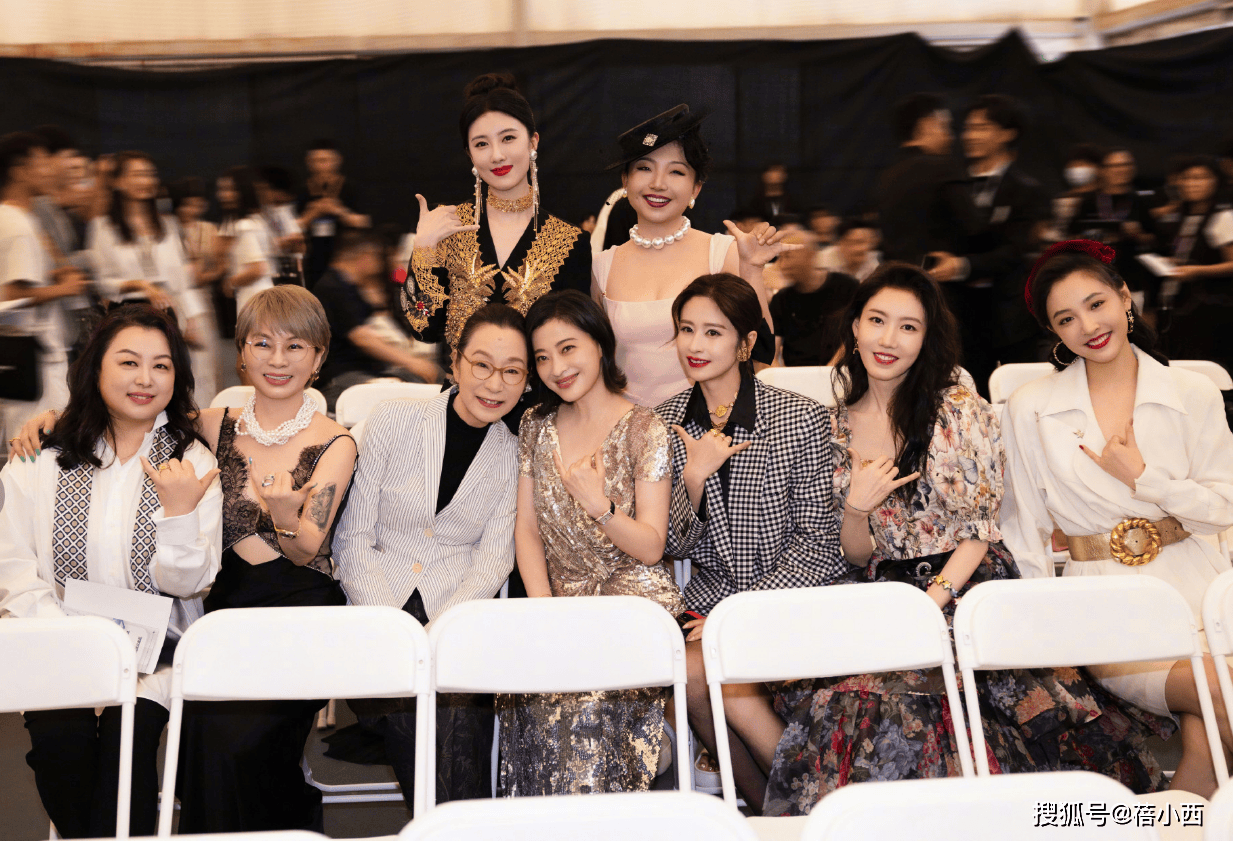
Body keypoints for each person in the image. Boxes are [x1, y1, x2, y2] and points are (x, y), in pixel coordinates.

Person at [763, 262, 1174, 815]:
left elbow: (979, 531)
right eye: (877, 321)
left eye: (908, 327)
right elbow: (858, 555)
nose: (889, 339)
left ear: (926, 338)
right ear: (855, 327)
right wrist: (857, 509)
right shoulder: (832, 425)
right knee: (843, 697)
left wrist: (931, 601)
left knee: (918, 700)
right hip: (882, 589)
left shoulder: (956, 409)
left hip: (967, 582)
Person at [1001, 239, 1233, 798]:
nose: (1088, 326)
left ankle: (1159, 830)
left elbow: (1224, 506)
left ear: (1125, 298)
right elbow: (1023, 530)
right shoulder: (1031, 406)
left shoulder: (1193, 391)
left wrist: (1145, 479)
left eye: (1096, 303)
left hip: (1207, 588)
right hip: (1107, 605)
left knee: (1208, 750)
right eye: (1066, 318)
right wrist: (1041, 643)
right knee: (1221, 691)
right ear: (1054, 332)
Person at [0, 305, 221, 838]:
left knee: (127, 750)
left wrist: (179, 514)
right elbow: (12, 563)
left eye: (161, 366)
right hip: (56, 639)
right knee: (60, 748)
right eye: (128, 362)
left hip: (155, 652)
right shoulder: (41, 455)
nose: (145, 379)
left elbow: (190, 584)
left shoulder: (191, 463)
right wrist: (71, 638)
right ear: (95, 368)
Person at [655, 273, 846, 812]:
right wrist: (693, 480)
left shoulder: (799, 416)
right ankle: (774, 810)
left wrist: (740, 611)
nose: (695, 345)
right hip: (711, 601)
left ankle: (811, 807)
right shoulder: (664, 423)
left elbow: (820, 543)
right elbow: (671, 545)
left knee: (726, 681)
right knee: (690, 673)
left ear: (746, 343)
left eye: (713, 332)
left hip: (793, 594)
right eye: (686, 329)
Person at [333, 303, 527, 806]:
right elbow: (352, 537)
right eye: (481, 364)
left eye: (512, 371)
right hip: (376, 612)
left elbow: (493, 560)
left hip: (456, 616)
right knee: (411, 702)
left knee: (458, 709)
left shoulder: (513, 454)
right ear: (455, 363)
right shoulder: (393, 419)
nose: (495, 383)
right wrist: (394, 624)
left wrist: (440, 630)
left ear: (526, 381)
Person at [498, 290, 682, 796]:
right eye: (542, 357)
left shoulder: (645, 427)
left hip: (631, 601)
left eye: (568, 348)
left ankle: (613, 798)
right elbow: (526, 529)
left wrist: (598, 504)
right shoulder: (536, 426)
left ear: (599, 344)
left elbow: (651, 547)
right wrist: (544, 608)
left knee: (585, 708)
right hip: (559, 600)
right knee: (532, 694)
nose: (556, 368)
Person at [593, 104, 789, 408]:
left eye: (676, 171)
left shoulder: (723, 255)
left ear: (696, 188)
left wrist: (751, 268)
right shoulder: (601, 266)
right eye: (644, 168)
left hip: (708, 424)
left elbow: (760, 355)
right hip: (626, 427)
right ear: (625, 181)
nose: (658, 183)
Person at [402, 73, 591, 373]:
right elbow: (422, 328)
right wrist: (423, 247)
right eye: (481, 144)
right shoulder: (448, 228)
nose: (497, 155)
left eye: (508, 138)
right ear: (469, 154)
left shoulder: (570, 241)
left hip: (536, 400)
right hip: (462, 397)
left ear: (533, 141)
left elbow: (577, 343)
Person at [933, 94, 1051, 394]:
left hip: (1012, 316)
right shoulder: (947, 185)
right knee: (966, 398)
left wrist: (962, 266)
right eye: (967, 128)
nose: (970, 135)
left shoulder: (1028, 191)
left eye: (981, 127)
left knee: (1023, 396)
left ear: (1007, 133)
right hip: (960, 318)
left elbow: (1016, 251)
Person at [87, 151, 212, 404]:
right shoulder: (104, 226)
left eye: (149, 174)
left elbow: (183, 281)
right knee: (139, 384)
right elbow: (101, 282)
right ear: (118, 181)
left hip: (172, 313)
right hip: (129, 316)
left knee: (184, 386)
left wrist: (193, 318)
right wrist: (141, 285)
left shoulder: (168, 224)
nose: (145, 180)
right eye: (136, 174)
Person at [0, 131, 89, 439]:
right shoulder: (18, 224)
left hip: (23, 352)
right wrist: (65, 289)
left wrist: (55, 276)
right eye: (41, 163)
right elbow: (11, 293)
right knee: (36, 445)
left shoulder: (11, 216)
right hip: (35, 355)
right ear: (19, 171)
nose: (49, 170)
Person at [312, 229, 439, 410]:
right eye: (377, 257)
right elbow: (362, 338)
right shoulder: (332, 287)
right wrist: (412, 362)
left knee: (430, 379)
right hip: (341, 376)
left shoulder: (349, 286)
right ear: (366, 256)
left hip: (370, 370)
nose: (380, 265)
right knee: (401, 397)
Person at [875, 93, 982, 270]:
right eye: (945, 127)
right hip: (938, 277)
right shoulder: (943, 168)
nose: (951, 137)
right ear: (926, 125)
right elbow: (974, 229)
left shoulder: (886, 177)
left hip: (897, 275)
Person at [1154, 156, 1233, 372]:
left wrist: (1198, 270)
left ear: (1214, 181)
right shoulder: (1180, 217)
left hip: (1210, 311)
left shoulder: (1223, 216)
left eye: (1200, 178)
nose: (1192, 184)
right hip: (1177, 308)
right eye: (1187, 178)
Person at [768, 228, 858, 367]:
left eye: (788, 256)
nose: (783, 265)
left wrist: (829, 372)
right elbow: (771, 352)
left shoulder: (847, 287)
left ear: (810, 255)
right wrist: (778, 375)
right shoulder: (781, 299)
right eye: (780, 257)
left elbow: (854, 335)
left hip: (840, 370)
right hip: (794, 375)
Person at [298, 138, 368, 289]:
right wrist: (312, 213)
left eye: (325, 160)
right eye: (315, 161)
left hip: (344, 254)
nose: (321, 165)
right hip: (312, 256)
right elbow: (292, 227)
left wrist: (339, 211)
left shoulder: (350, 187)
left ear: (337, 160)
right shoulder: (302, 189)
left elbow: (364, 222)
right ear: (308, 162)